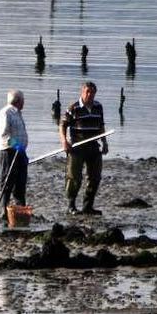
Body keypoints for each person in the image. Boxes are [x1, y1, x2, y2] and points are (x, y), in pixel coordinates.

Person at [60, 81, 109, 215]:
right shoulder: (73, 108)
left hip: (93, 146)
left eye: (92, 92)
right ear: (82, 92)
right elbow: (63, 125)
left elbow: (101, 126)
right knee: (74, 177)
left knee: (95, 177)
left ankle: (88, 206)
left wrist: (105, 142)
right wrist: (64, 141)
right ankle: (71, 206)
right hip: (77, 147)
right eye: (87, 92)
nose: (90, 95)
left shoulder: (98, 107)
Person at [0, 89, 28, 219]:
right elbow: (4, 134)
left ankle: (19, 210)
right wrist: (17, 146)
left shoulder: (18, 113)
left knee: (21, 182)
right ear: (18, 101)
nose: (24, 102)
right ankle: (5, 211)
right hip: (9, 151)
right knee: (8, 181)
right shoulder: (6, 112)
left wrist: (22, 150)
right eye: (23, 100)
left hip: (20, 152)